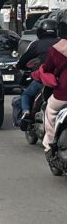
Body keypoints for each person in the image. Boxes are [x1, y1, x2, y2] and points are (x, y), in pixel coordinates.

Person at [17, 18, 59, 121]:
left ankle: (26, 111)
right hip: (60, 79)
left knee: (26, 94)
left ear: (40, 31)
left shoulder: (36, 45)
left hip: (43, 79)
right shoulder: (62, 43)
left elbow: (23, 60)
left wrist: (20, 66)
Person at [40, 19, 67, 151]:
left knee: (50, 111)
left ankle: (50, 145)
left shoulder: (55, 49)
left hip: (62, 92)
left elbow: (47, 68)